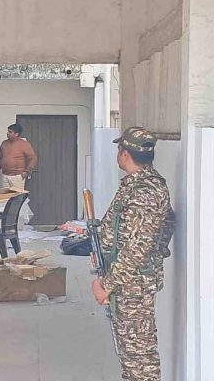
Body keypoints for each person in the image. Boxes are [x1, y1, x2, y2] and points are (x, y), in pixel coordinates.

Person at [91, 126, 175, 381]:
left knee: (139, 357)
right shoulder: (142, 184)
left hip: (132, 285)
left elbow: (137, 248)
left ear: (124, 153)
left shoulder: (144, 191)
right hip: (130, 281)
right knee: (131, 353)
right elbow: (167, 223)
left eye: (119, 149)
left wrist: (106, 284)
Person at [0, 123, 37, 190]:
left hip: (17, 177)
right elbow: (0, 159)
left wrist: (27, 172)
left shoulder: (24, 144)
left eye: (10, 132)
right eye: (8, 131)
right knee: (5, 196)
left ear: (16, 134)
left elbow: (33, 158)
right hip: (5, 176)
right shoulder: (4, 143)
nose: (7, 133)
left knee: (17, 196)